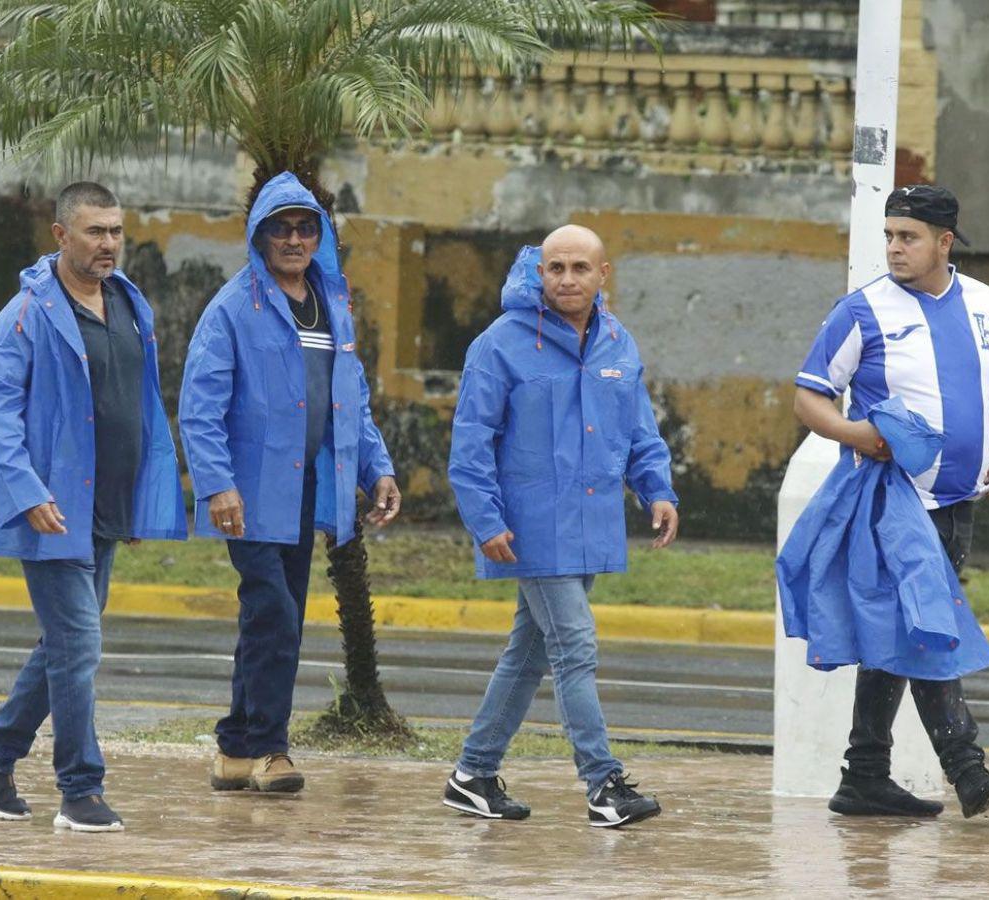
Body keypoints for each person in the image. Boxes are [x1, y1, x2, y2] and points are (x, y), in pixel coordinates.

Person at [0, 182, 187, 832]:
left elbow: (137, 407)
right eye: (95, 231)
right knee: (80, 646)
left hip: (104, 509)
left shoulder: (126, 305)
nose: (109, 242)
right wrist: (28, 495)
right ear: (61, 235)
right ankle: (80, 789)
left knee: (61, 648)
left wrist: (139, 498)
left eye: (115, 230)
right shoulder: (25, 317)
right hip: (50, 511)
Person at [793, 184, 989, 818]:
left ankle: (864, 772)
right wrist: (855, 435)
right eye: (890, 235)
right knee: (927, 625)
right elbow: (810, 396)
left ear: (944, 242)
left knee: (900, 630)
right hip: (894, 501)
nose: (894, 248)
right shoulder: (861, 310)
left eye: (909, 237)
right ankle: (967, 767)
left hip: (959, 500)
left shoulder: (985, 303)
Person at [444, 225, 680, 828]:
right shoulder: (498, 345)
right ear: (539, 273)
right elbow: (471, 446)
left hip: (591, 524)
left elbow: (638, 431)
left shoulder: (617, 343)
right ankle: (603, 785)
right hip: (529, 528)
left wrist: (656, 490)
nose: (567, 279)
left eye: (580, 268)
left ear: (604, 275)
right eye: (555, 268)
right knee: (574, 646)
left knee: (528, 654)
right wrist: (485, 522)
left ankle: (472, 774)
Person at [180, 172, 399, 795]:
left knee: (274, 616)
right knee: (273, 609)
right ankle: (271, 750)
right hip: (247, 495)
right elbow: (200, 408)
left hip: (309, 491)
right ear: (260, 235)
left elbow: (349, 401)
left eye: (306, 228)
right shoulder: (231, 309)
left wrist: (375, 469)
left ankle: (233, 748)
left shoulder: (332, 306)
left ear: (319, 235)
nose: (295, 239)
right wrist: (217, 485)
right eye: (282, 228)